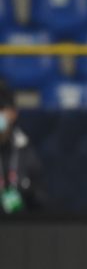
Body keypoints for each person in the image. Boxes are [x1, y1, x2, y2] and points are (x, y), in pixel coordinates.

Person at [0, 83, 47, 215]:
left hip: (19, 224)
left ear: (14, 113)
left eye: (2, 108)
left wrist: (26, 191)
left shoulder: (25, 150)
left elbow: (41, 199)